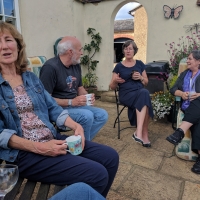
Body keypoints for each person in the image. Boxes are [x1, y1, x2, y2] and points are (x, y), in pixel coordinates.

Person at [0, 22, 119, 198]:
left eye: (8, 39)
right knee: (97, 174)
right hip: (25, 154)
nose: (4, 46)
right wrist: (40, 148)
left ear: (17, 45)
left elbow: (52, 107)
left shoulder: (30, 78)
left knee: (110, 157)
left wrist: (76, 126)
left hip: (52, 137)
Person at [39, 36, 108, 141]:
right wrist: (71, 102)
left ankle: (80, 142)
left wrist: (87, 96)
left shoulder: (75, 64)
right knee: (87, 116)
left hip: (74, 106)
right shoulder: (50, 68)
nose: (82, 53)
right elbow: (45, 100)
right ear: (70, 52)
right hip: (56, 109)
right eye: (80, 50)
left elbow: (79, 88)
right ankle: (84, 146)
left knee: (102, 115)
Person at [109, 40, 154, 147]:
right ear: (123, 51)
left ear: (134, 51)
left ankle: (140, 133)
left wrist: (141, 78)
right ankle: (142, 134)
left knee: (144, 94)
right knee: (145, 96)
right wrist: (115, 81)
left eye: (130, 48)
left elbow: (146, 82)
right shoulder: (118, 66)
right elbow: (112, 87)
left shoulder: (140, 64)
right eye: (126, 48)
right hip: (126, 95)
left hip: (139, 92)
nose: (128, 51)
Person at [166, 50, 200, 174]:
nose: (188, 61)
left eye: (190, 59)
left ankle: (179, 131)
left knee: (198, 101)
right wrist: (182, 94)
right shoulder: (184, 74)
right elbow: (173, 89)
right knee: (198, 120)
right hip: (188, 107)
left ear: (198, 61)